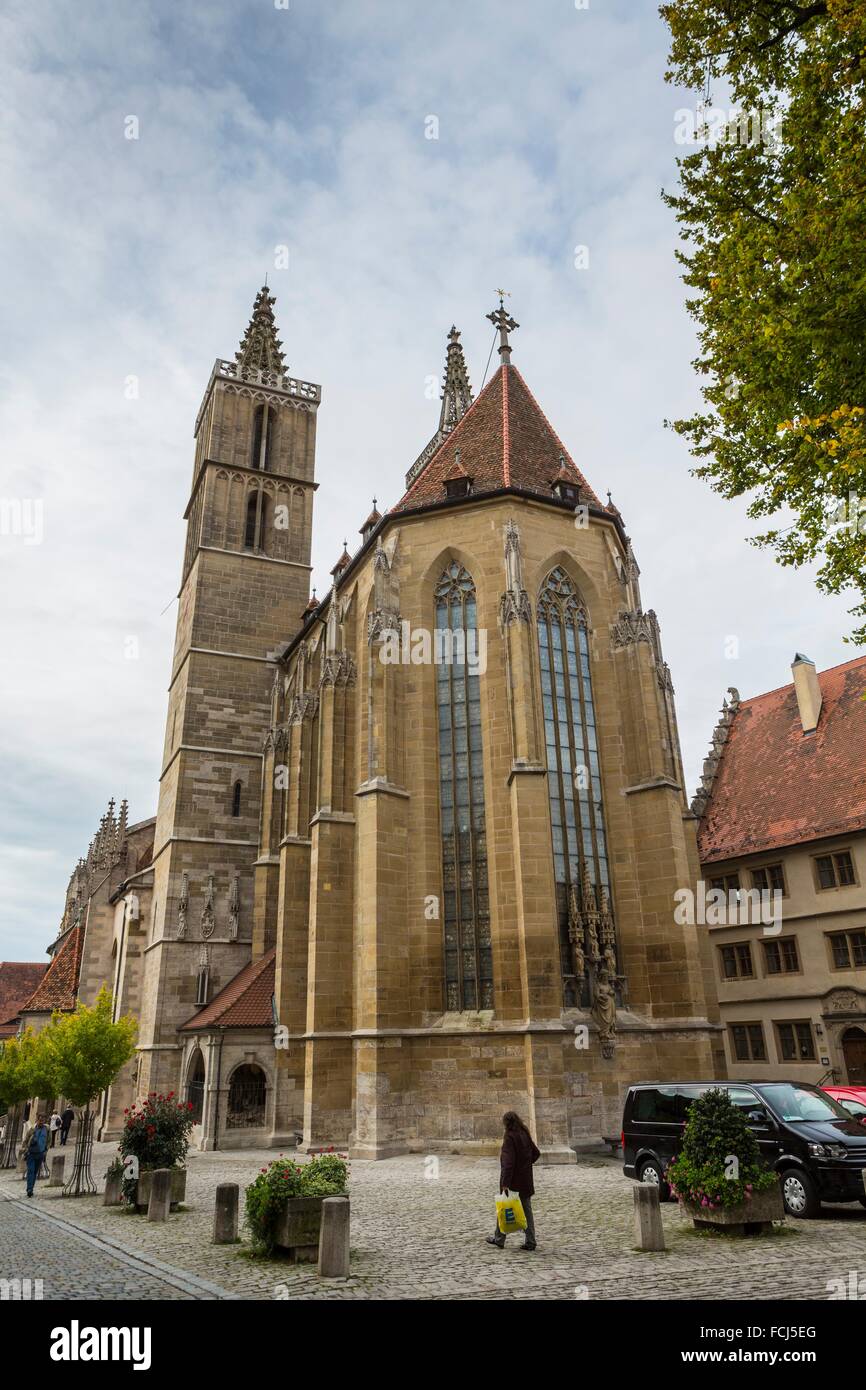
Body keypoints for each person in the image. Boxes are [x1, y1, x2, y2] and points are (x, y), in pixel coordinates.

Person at [487, 1110, 541, 1252]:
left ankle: (500, 1239)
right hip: (526, 1180)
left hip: (513, 1182)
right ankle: (530, 1240)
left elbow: (508, 1163)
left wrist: (505, 1183)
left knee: (503, 1207)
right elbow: (536, 1153)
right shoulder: (525, 1134)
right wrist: (525, 1165)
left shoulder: (510, 1137)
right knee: (526, 1211)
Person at [24, 1113, 49, 1197]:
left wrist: (46, 1150)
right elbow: (26, 1140)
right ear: (37, 1120)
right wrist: (25, 1150)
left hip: (40, 1154)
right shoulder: (32, 1129)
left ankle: (31, 1187)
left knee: (34, 1172)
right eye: (40, 1120)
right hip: (31, 1153)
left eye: (42, 1121)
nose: (41, 1122)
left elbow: (49, 1141)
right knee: (31, 1171)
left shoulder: (47, 1129)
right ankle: (29, 1189)